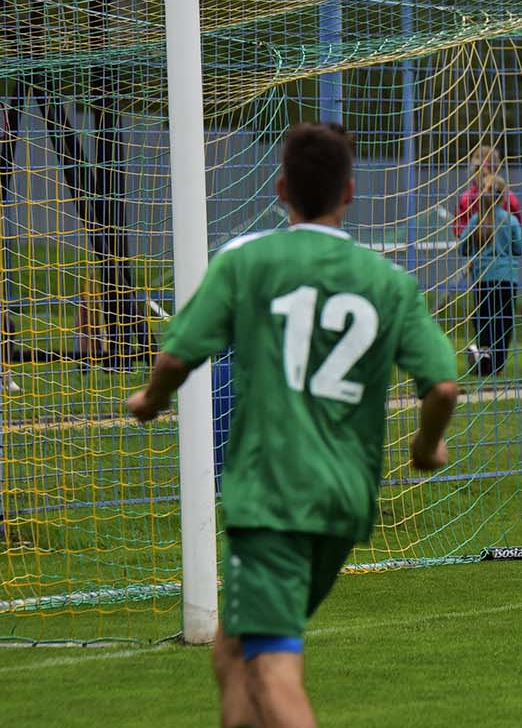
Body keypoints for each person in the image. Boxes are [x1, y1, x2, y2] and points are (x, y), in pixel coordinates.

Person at [124, 122, 460, 728]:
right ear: (350, 192)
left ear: (280, 188)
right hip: (344, 502)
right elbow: (441, 386)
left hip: (274, 495)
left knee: (272, 670)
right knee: (233, 653)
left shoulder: (247, 262)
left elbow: (176, 357)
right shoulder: (389, 282)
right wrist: (425, 445)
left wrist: (150, 400)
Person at [460, 174, 522, 376]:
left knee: (484, 319)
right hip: (506, 278)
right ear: (504, 197)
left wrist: (474, 249)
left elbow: (462, 247)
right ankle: (498, 364)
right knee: (504, 321)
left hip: (483, 279)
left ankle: (483, 355)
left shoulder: (476, 221)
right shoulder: (510, 221)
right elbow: (520, 248)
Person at [451, 143, 522, 237]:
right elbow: (459, 231)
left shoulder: (508, 198)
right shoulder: (466, 199)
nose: (483, 173)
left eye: (488, 170)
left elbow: (520, 229)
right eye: (479, 169)